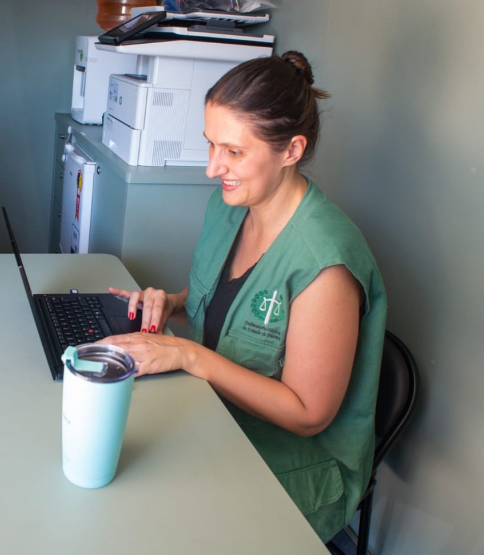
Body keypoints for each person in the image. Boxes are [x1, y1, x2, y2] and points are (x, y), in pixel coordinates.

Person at [100, 51, 387, 542]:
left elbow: (307, 414)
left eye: (233, 152)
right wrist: (172, 304)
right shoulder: (232, 206)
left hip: (297, 464)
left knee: (145, 516)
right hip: (217, 414)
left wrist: (189, 355)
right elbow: (228, 300)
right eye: (210, 144)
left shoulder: (325, 266)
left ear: (291, 150)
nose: (213, 168)